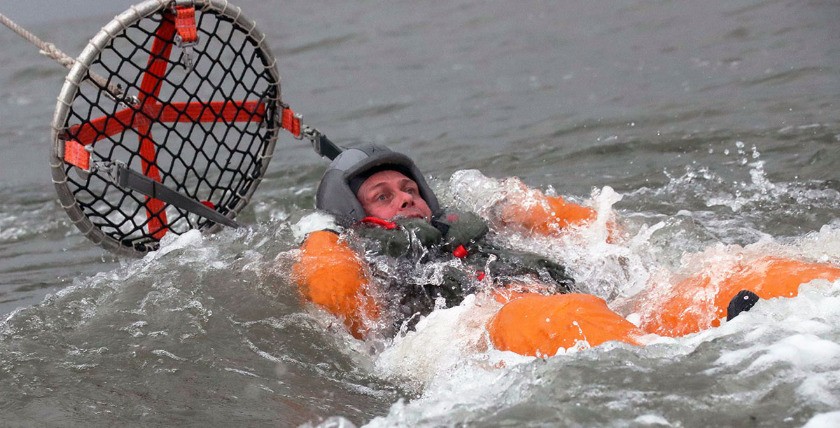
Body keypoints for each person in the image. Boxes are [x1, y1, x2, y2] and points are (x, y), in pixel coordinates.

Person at [292, 144, 840, 357]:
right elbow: (339, 302)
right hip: (487, 331)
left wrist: (511, 203)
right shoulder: (357, 255)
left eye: (410, 189)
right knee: (568, 315)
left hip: (587, 307)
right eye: (383, 197)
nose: (406, 200)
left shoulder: (469, 224)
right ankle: (678, 358)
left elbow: (605, 230)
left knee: (730, 272)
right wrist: (323, 232)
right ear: (353, 216)